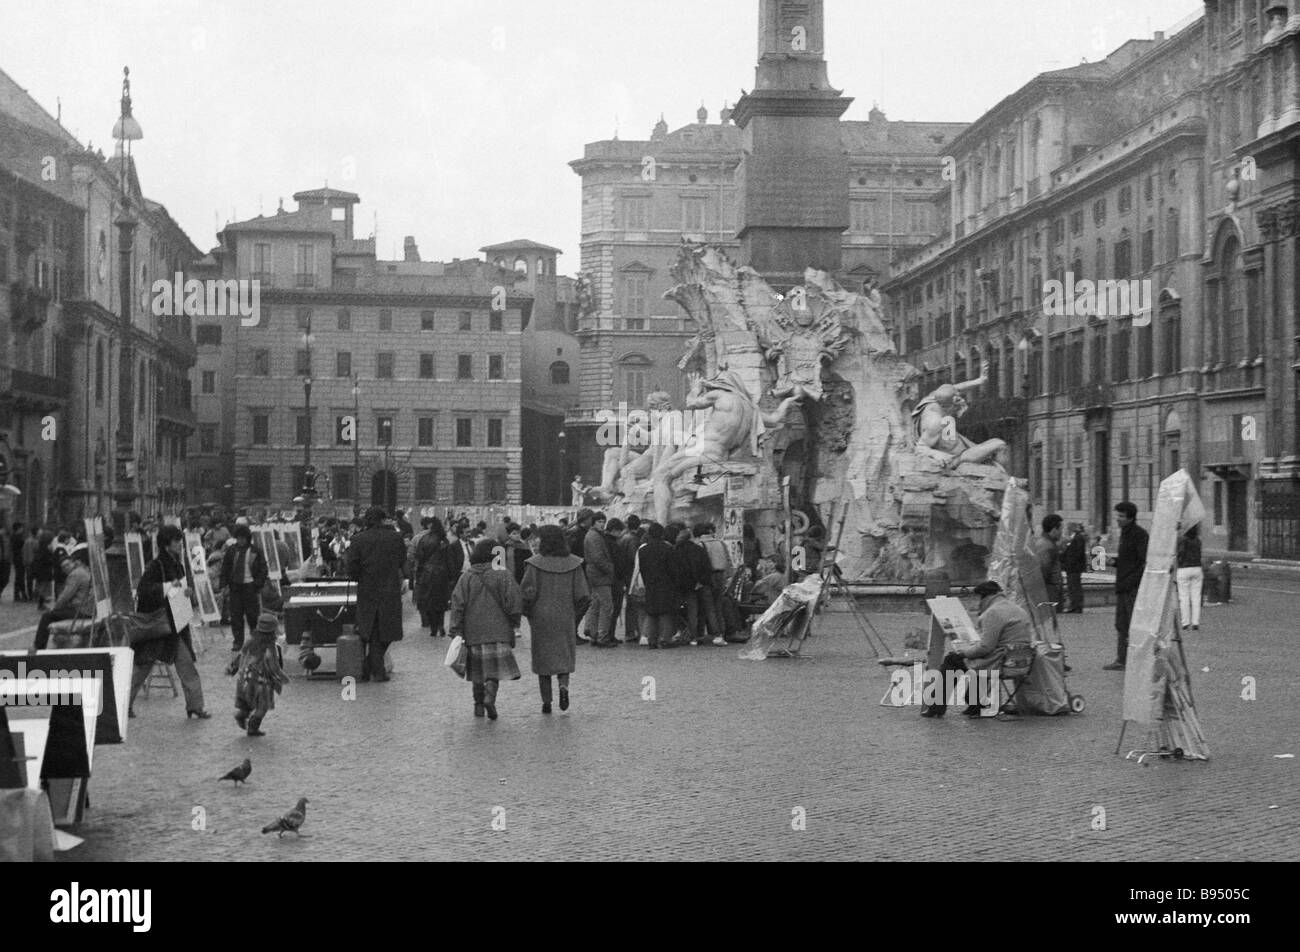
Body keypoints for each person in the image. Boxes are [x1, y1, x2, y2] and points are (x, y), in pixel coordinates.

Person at [129, 525, 209, 719]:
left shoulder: (177, 565)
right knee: (143, 668)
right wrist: (168, 587)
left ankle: (195, 706)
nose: (180, 543)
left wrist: (186, 593)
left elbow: (178, 592)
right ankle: (123, 704)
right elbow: (144, 590)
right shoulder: (156, 566)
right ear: (166, 544)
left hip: (175, 624)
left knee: (186, 664)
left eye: (180, 540)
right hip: (158, 625)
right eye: (176, 540)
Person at [921, 580, 1032, 718]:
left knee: (953, 659)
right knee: (977, 660)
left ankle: (936, 707)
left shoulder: (993, 612)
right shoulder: (1018, 609)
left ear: (983, 597)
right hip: (1021, 662)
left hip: (1002, 662)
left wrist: (964, 652)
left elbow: (985, 647)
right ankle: (975, 704)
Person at [450, 539, 523, 720]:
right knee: (493, 670)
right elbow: (514, 601)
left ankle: (478, 705)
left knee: (476, 670)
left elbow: (457, 603)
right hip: (499, 630)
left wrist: (456, 629)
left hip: (473, 631)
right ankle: (490, 696)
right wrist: (514, 621)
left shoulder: (467, 576)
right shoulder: (503, 574)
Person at [521, 525, 591, 714]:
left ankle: (546, 701)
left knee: (543, 659)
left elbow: (527, 594)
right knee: (564, 655)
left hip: (540, 617)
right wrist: (575, 615)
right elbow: (583, 595)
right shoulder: (574, 564)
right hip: (565, 614)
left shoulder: (534, 564)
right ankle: (564, 687)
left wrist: (527, 612)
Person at [345, 507, 408, 682]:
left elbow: (351, 568)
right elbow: (403, 561)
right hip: (390, 588)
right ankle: (375, 669)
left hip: (367, 589)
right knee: (387, 630)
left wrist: (360, 577)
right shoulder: (395, 538)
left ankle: (370, 666)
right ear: (383, 520)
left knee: (371, 628)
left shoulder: (357, 539)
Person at [1105, 502, 1149, 671]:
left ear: (1130, 517)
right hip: (1123, 585)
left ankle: (1137, 659)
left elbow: (1144, 561)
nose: (1118, 519)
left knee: (1134, 624)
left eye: (1121, 516)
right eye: (1117, 515)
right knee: (1121, 624)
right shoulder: (1125, 533)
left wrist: (1133, 580)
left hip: (1132, 587)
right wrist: (1114, 562)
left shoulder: (1139, 535)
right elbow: (1128, 561)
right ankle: (1122, 659)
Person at [234, 612, 289, 737]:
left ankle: (241, 715)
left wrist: (234, 669)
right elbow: (274, 667)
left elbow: (241, 656)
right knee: (262, 707)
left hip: (245, 679)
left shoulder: (250, 641)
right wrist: (283, 678)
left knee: (248, 701)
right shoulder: (271, 648)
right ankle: (253, 727)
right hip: (261, 682)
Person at [31, 546, 95, 650]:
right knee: (53, 614)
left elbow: (64, 597)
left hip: (81, 610)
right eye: (63, 567)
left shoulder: (76, 574)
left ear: (74, 562)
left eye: (67, 565)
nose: (66, 568)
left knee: (46, 616)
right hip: (87, 609)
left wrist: (55, 609)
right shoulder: (84, 571)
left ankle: (38, 646)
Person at [219, 524, 268, 656]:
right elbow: (225, 568)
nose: (240, 541)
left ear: (248, 538)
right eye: (238, 538)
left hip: (250, 587)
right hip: (235, 587)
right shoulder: (231, 551)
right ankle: (238, 641)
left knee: (253, 615)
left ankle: (254, 640)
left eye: (243, 538)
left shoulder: (255, 551)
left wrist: (257, 584)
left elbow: (263, 569)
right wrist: (224, 584)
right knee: (236, 615)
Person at [636, 522, 681, 649]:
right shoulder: (668, 549)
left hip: (650, 583)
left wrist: (646, 581)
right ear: (662, 534)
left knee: (651, 612)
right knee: (665, 612)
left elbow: (642, 569)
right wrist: (675, 583)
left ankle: (652, 640)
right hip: (665, 583)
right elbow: (673, 569)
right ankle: (665, 639)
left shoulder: (643, 550)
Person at [414, 518, 456, 637]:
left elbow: (419, 557)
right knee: (441, 601)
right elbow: (449, 560)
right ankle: (441, 625)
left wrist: (418, 575)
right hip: (442, 574)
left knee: (430, 601)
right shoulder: (444, 540)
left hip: (427, 574)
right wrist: (452, 576)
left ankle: (433, 628)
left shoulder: (424, 539)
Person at [1033, 514, 1064, 612]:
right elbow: (1042, 571)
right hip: (1049, 593)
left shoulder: (1046, 543)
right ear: (1054, 529)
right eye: (1060, 529)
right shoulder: (1046, 546)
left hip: (1050, 591)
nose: (1061, 533)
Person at [1176, 525, 1203, 631]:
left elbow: (1180, 553)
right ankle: (1195, 622)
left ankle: (1185, 622)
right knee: (1196, 597)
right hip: (1197, 568)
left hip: (1184, 569)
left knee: (1184, 597)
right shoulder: (1198, 541)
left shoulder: (1182, 539)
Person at [1059, 523, 1087, 613]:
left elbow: (1077, 553)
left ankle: (1077, 606)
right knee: (1072, 586)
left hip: (1074, 567)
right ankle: (1074, 605)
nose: (1066, 530)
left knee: (1074, 587)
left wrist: (1069, 562)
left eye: (1068, 528)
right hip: (1071, 567)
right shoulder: (1074, 538)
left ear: (1072, 529)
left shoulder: (1078, 538)